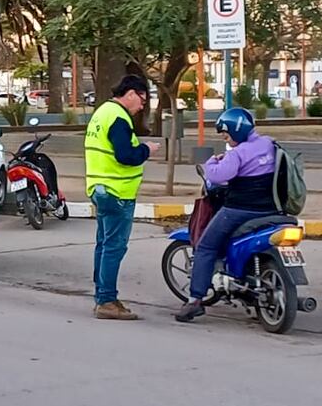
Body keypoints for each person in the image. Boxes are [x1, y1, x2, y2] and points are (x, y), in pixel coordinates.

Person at [175, 107, 279, 323]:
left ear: (236, 130)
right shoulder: (268, 144)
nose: (225, 137)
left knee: (206, 246)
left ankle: (194, 300)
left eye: (226, 133)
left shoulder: (238, 153)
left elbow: (218, 176)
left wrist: (212, 160)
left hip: (240, 210)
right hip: (271, 209)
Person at [84, 75, 159, 321]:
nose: (142, 106)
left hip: (99, 187)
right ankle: (106, 300)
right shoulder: (118, 117)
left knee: (104, 245)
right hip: (117, 191)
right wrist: (147, 149)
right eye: (142, 99)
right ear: (130, 94)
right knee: (114, 247)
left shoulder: (102, 112)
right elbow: (125, 155)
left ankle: (102, 295)